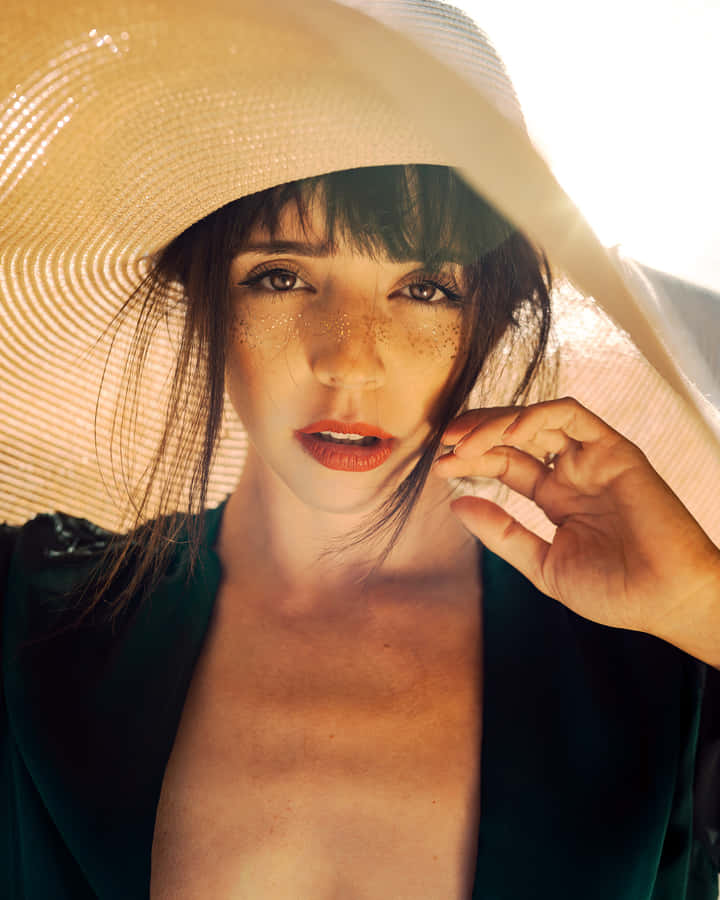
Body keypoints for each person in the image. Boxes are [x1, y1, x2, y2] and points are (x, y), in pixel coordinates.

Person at [1, 1, 719, 897]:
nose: (349, 357)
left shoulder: (653, 642)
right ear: (202, 299)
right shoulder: (29, 607)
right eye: (280, 275)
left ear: (491, 318)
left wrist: (703, 603)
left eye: (424, 289)